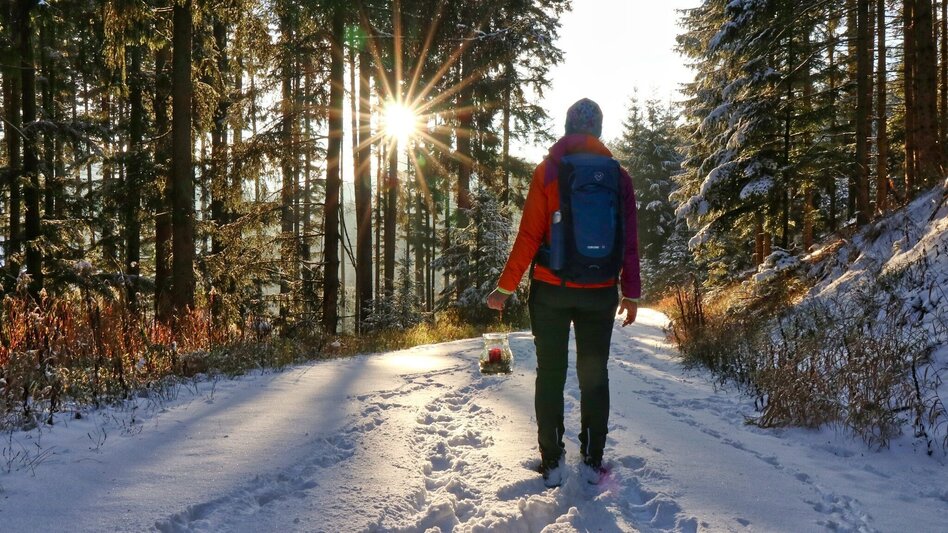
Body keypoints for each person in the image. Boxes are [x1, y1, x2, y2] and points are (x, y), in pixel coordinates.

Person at [486, 98, 641, 488]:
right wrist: (632, 292)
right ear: (598, 131)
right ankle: (592, 463)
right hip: (600, 291)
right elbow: (630, 241)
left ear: (569, 128)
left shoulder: (549, 170)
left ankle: (552, 462)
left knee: (551, 375)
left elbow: (529, 235)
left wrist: (505, 288)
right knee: (594, 377)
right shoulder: (619, 177)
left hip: (551, 291)